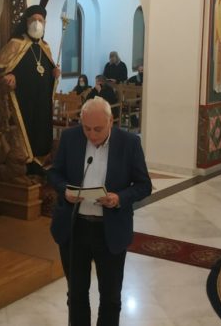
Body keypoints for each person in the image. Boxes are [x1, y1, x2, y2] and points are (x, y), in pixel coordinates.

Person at [49, 97, 152, 326]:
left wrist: (119, 198)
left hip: (110, 230)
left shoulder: (129, 143)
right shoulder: (70, 137)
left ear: (110, 121)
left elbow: (144, 185)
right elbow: (54, 173)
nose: (92, 135)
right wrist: (65, 190)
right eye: (86, 128)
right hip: (75, 228)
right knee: (76, 295)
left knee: (110, 297)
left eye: (98, 129)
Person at [0, 5, 60, 174]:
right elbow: (0, 71)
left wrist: (54, 74)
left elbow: (48, 72)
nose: (37, 23)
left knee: (41, 129)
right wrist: (9, 76)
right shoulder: (15, 44)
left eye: (40, 20)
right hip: (22, 99)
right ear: (26, 22)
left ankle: (39, 163)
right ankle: (25, 164)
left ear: (45, 23)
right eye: (33, 20)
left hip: (41, 99)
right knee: (25, 129)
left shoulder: (46, 47)